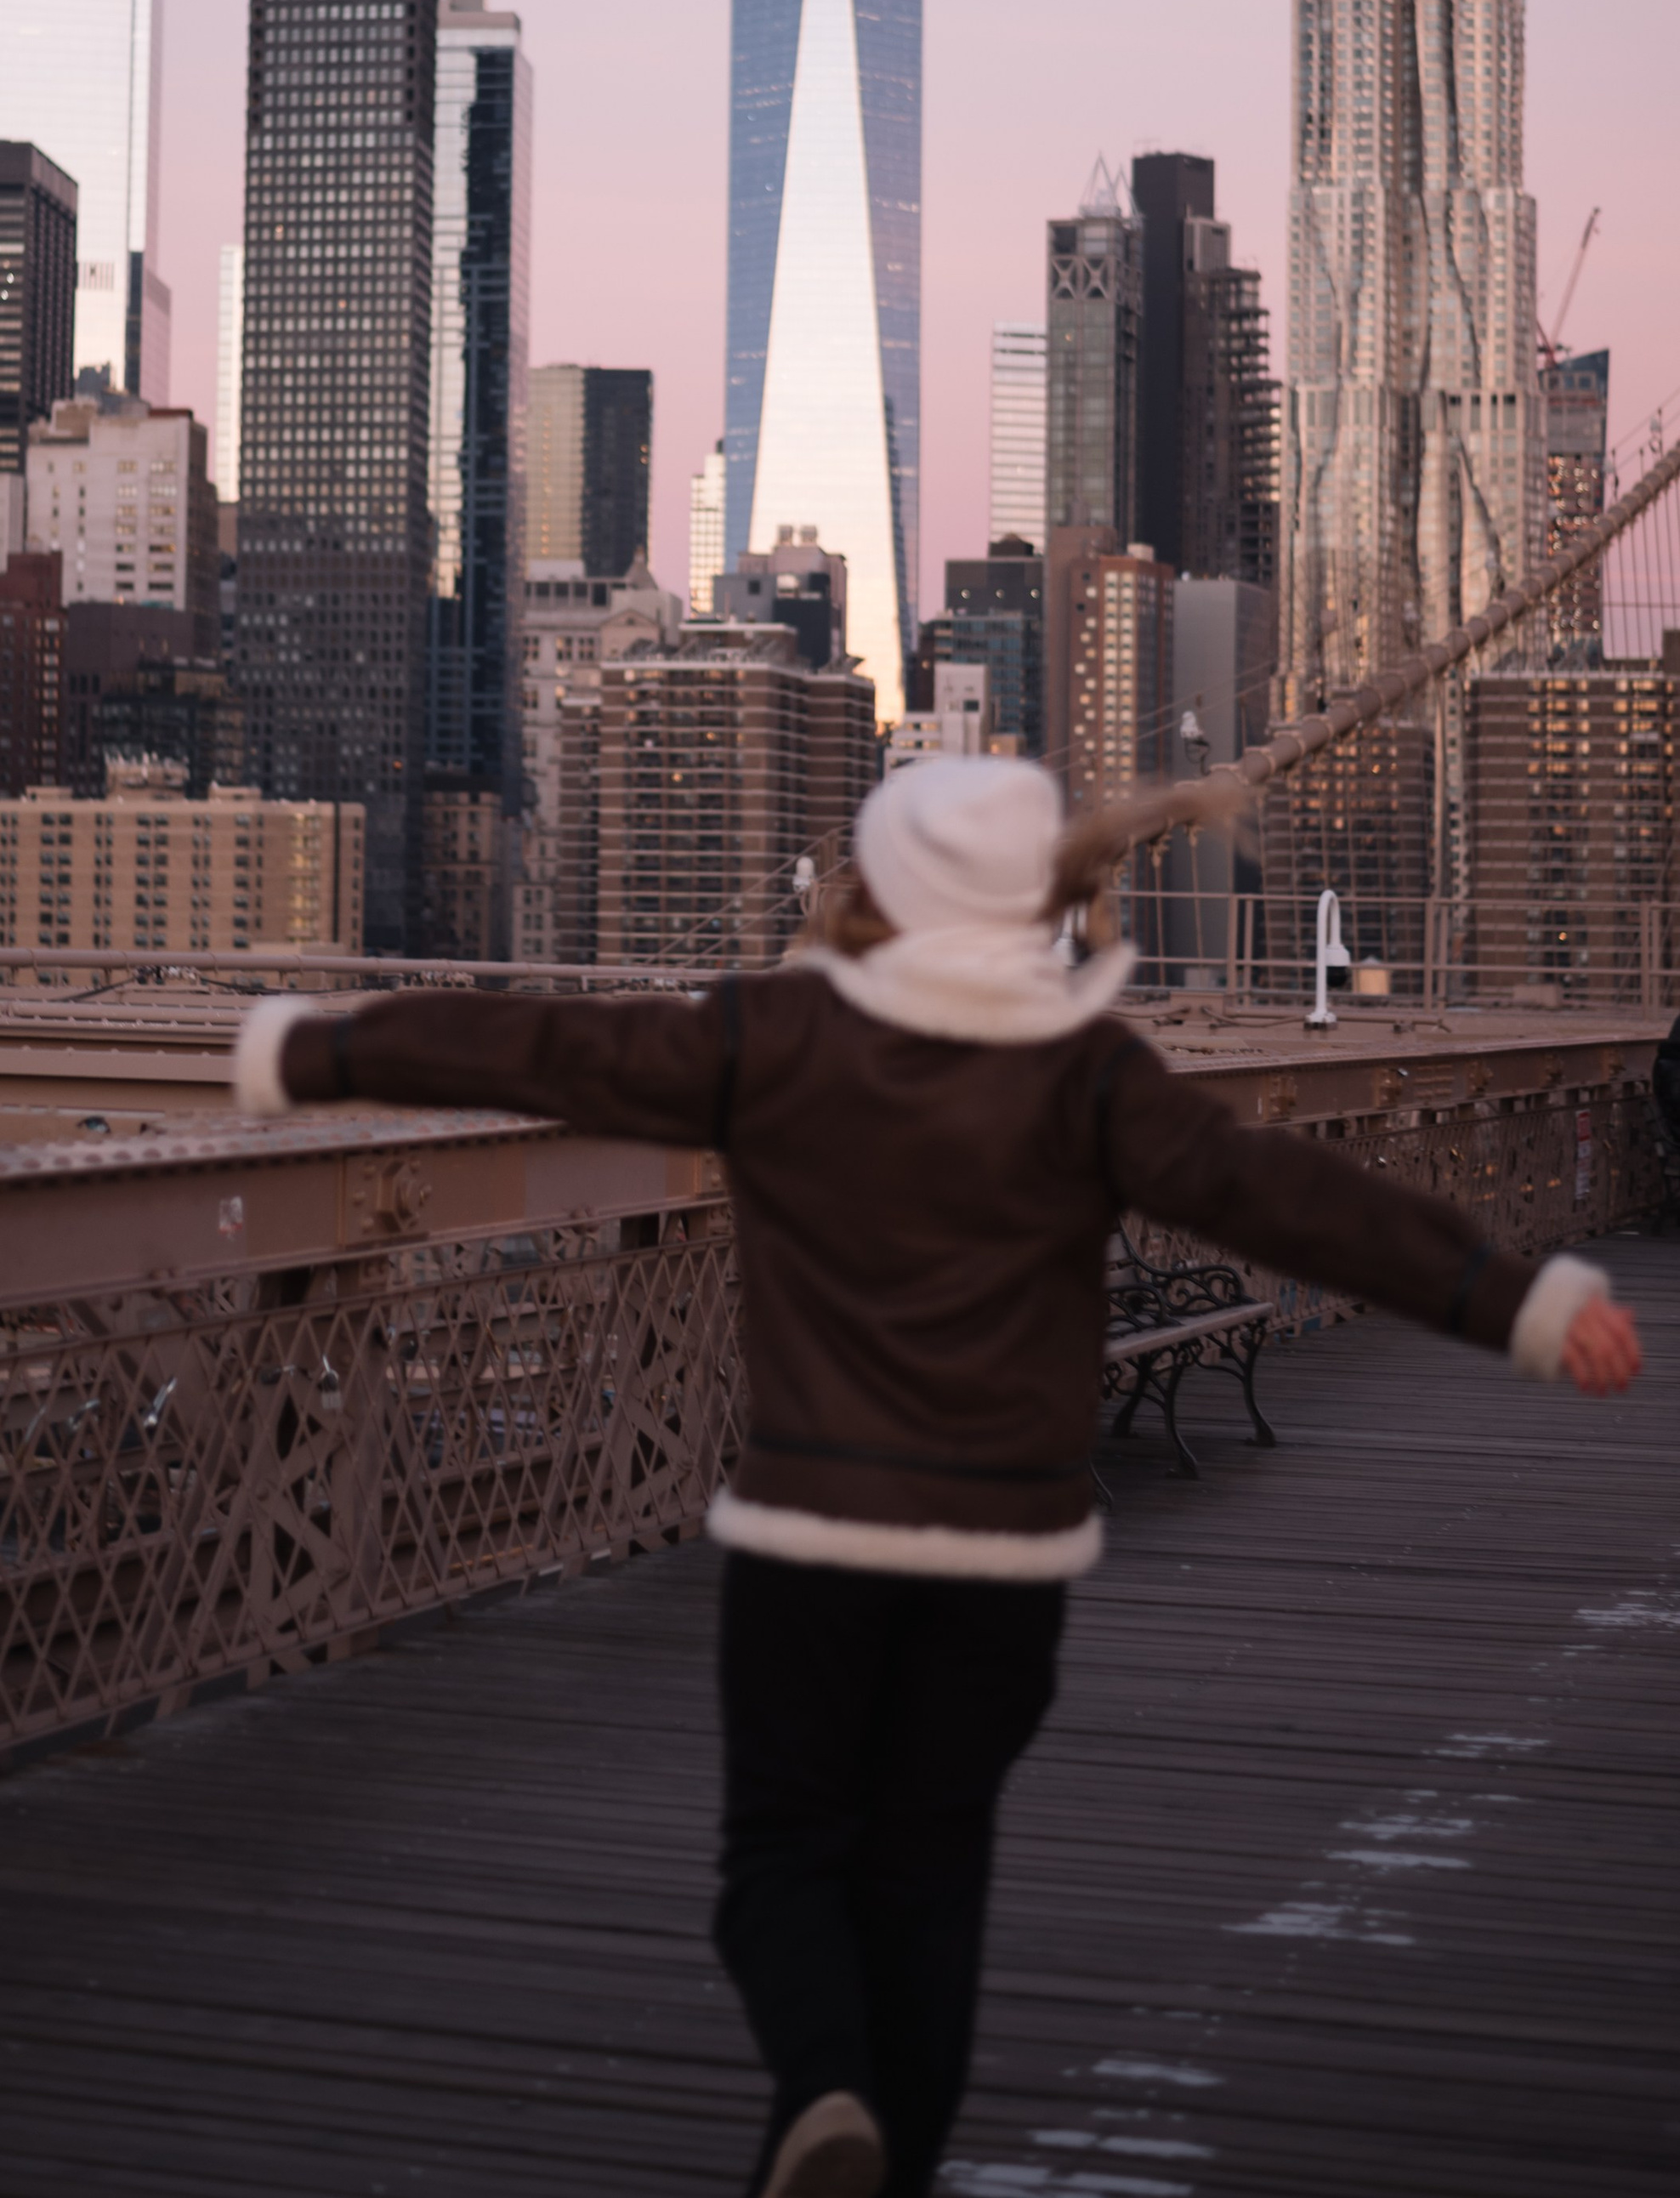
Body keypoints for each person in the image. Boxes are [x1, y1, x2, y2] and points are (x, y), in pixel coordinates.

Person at [234, 758, 1642, 2198]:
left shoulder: (774, 1037)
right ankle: (888, 2162)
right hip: (1003, 1553)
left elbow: (542, 1050)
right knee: (930, 1871)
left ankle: (823, 2090)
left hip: (813, 1537)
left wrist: (315, 1049)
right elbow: (1293, 1202)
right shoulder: (1086, 1075)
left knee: (784, 1853)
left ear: (885, 885)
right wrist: (1516, 1301)